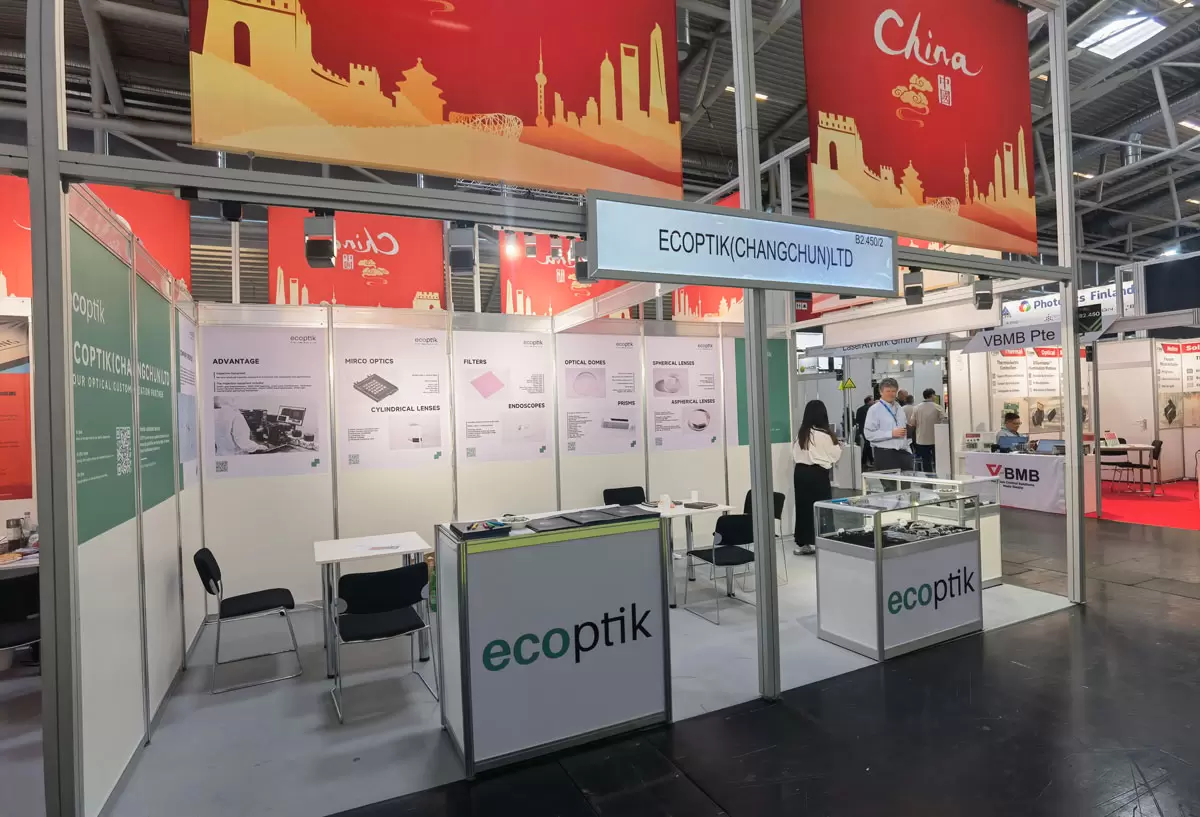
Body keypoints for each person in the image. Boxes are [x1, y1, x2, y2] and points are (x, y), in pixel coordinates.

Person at [792, 399, 843, 556]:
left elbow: (795, 453)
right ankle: (824, 543)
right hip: (818, 474)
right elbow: (835, 455)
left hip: (800, 473)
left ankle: (804, 542)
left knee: (803, 508)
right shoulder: (826, 435)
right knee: (822, 508)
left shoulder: (802, 434)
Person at [863, 377, 914, 471]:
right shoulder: (874, 410)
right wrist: (891, 433)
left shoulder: (899, 408)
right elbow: (869, 434)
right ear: (881, 392)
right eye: (888, 391)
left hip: (904, 453)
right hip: (885, 454)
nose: (891, 394)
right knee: (889, 481)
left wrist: (908, 450)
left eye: (893, 391)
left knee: (907, 480)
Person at [913, 388, 945, 472]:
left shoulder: (916, 408)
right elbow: (944, 421)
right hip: (935, 438)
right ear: (932, 395)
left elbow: (912, 422)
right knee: (937, 460)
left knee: (925, 461)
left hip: (921, 439)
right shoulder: (938, 407)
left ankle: (928, 477)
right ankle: (939, 475)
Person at [854, 396, 874, 468]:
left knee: (867, 444)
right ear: (869, 401)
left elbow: (857, 420)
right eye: (872, 400)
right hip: (868, 429)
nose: (873, 402)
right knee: (867, 444)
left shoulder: (859, 409)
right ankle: (869, 460)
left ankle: (865, 460)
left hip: (861, 429)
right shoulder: (870, 409)